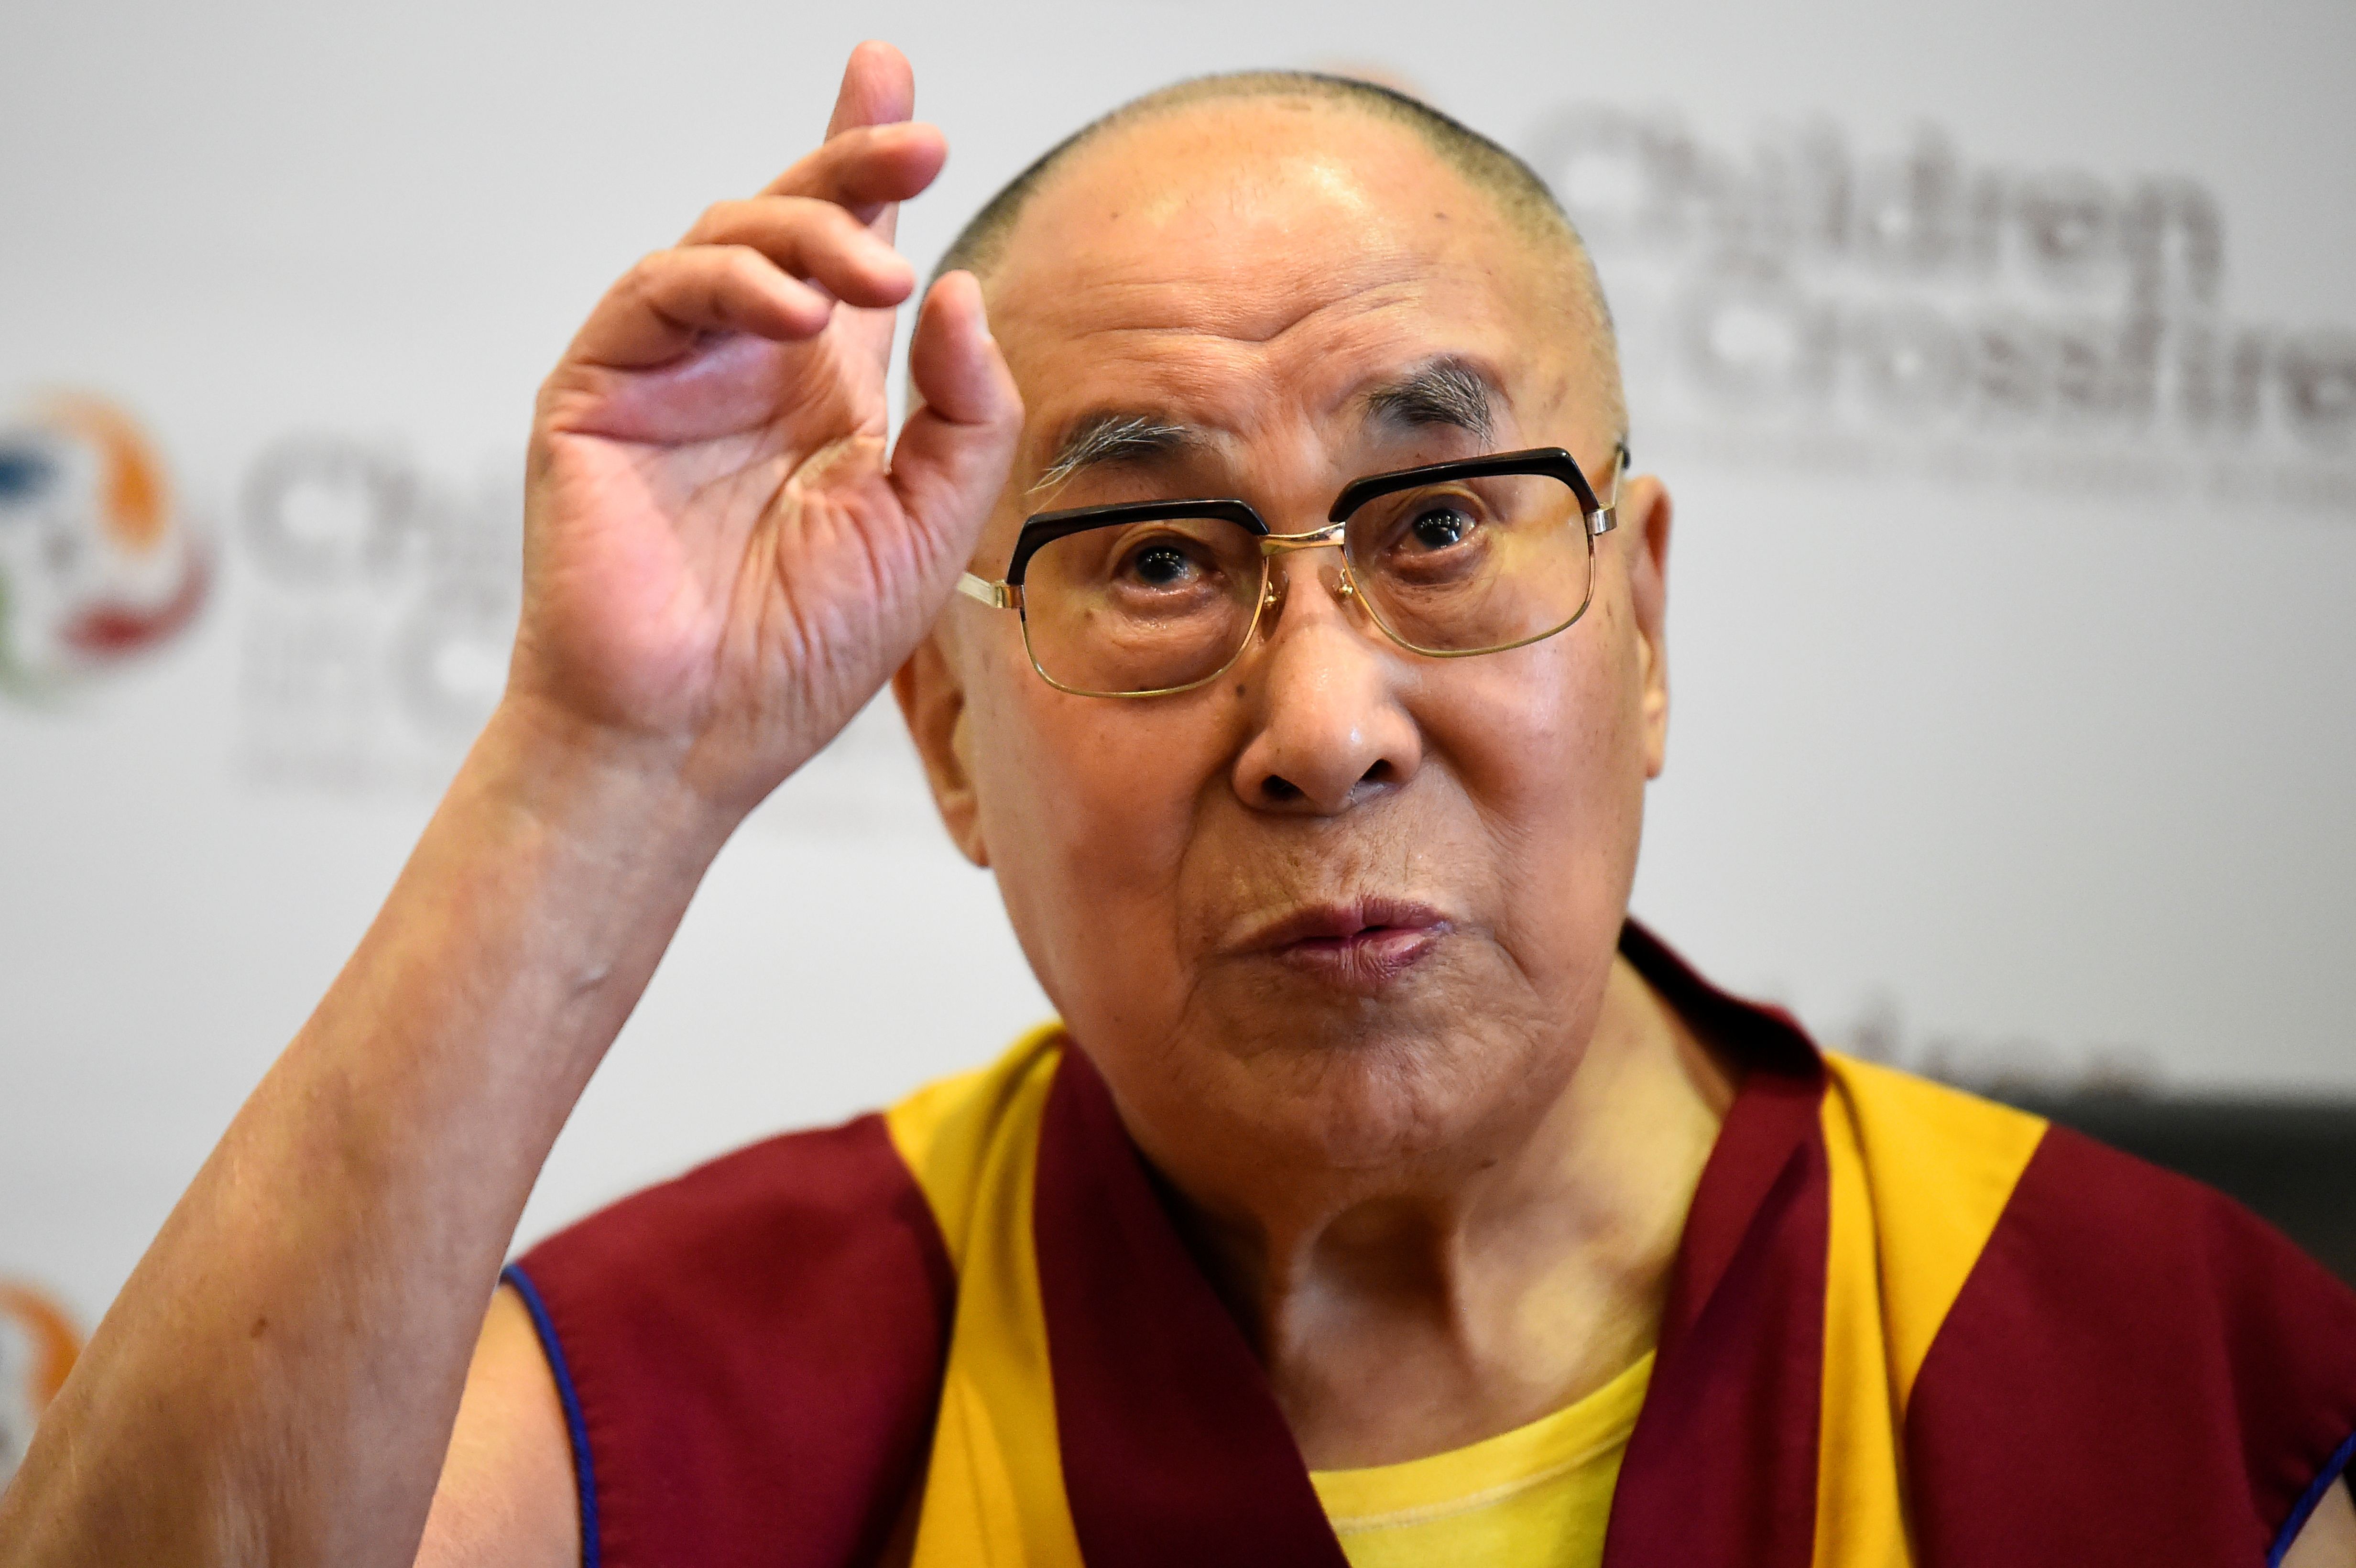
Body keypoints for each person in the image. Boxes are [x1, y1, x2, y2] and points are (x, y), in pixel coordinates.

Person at [2, 40, 2352, 1568]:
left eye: (1440, 521)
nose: (1318, 720)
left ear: (1639, 626)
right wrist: (597, 760)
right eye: (1149, 557)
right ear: (940, 738)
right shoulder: (735, 1386)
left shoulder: (2148, 1380)